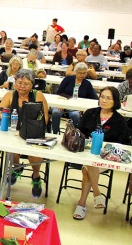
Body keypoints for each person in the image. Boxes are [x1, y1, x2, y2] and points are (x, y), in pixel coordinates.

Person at [73, 87, 129, 220]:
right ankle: (97, 194)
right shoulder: (90, 113)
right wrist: (87, 139)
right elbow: (78, 132)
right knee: (89, 162)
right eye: (102, 97)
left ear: (115, 101)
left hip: (106, 158)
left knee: (88, 168)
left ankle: (82, 204)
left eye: (108, 98)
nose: (104, 100)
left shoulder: (120, 121)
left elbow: (123, 143)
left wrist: (104, 144)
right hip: (85, 153)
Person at [0, 69, 49, 198]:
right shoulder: (10, 95)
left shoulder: (38, 95)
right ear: (15, 83)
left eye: (26, 84)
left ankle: (36, 176)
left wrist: (31, 126)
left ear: (32, 84)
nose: (21, 86)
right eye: (19, 83)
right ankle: (17, 168)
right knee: (11, 151)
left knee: (33, 154)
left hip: (34, 132)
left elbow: (45, 118)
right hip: (14, 132)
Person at [53, 63, 98, 133]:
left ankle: (74, 134)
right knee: (56, 113)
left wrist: (83, 108)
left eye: (84, 73)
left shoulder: (87, 84)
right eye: (80, 73)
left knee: (75, 115)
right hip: (63, 102)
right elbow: (59, 92)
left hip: (77, 106)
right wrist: (59, 104)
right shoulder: (68, 79)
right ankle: (55, 132)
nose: (82, 75)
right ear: (76, 72)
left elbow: (92, 99)